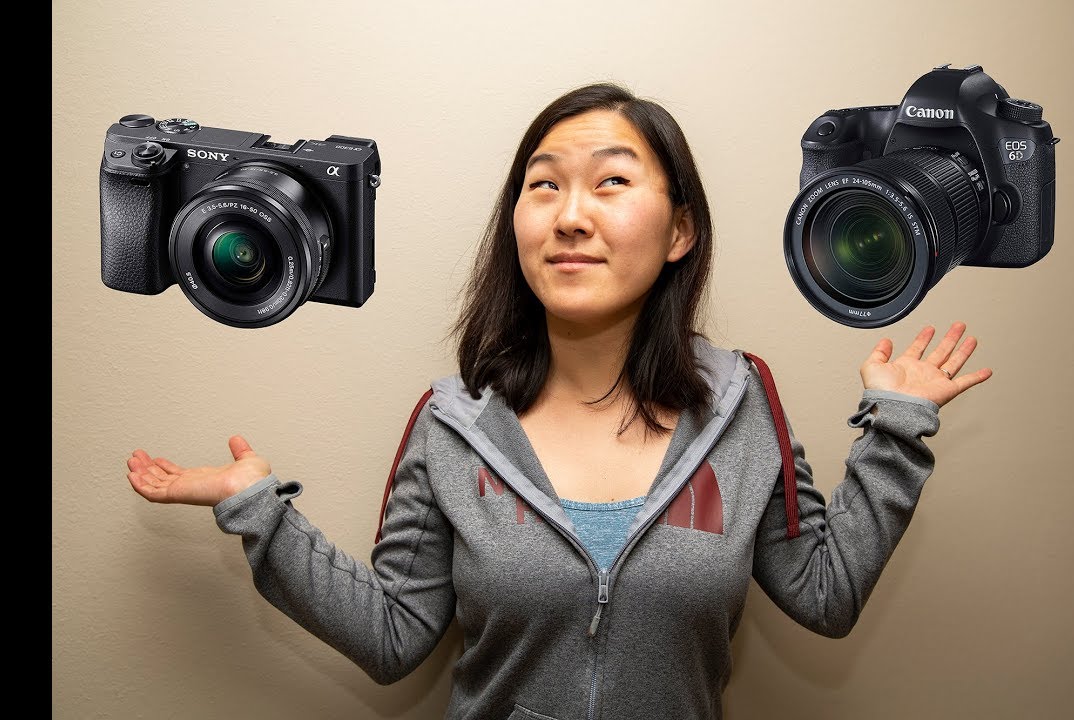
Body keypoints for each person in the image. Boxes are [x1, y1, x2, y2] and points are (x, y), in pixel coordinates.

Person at [126, 83, 992, 720]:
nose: (569, 216)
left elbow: (824, 595)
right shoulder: (452, 422)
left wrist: (896, 431)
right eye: (543, 186)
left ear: (680, 229)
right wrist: (259, 510)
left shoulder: (745, 403)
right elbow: (393, 636)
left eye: (612, 183)